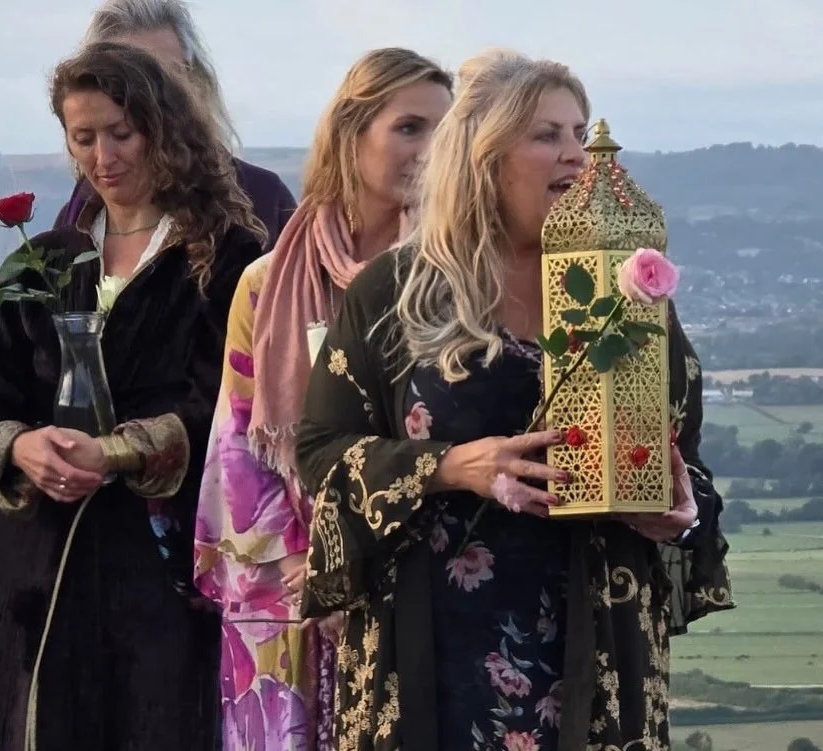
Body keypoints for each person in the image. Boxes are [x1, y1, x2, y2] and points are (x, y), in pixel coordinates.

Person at [292, 50, 733, 750]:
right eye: (547, 135)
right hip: (433, 658)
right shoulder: (397, 293)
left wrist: (677, 512)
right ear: (484, 154)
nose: (576, 156)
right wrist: (449, 465)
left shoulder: (626, 296)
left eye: (580, 135)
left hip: (597, 652)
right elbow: (318, 450)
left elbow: (690, 469)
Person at [0, 42, 265, 750]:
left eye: (122, 132)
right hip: (37, 570)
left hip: (161, 563)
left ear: (162, 129)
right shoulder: (40, 261)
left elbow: (233, 405)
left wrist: (113, 452)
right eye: (85, 138)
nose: (104, 155)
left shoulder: (226, 255)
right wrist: (21, 443)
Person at [192, 46, 452, 750]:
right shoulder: (265, 284)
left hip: (404, 584)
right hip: (284, 602)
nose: (430, 152)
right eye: (409, 128)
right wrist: (312, 574)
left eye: (446, 133)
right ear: (349, 134)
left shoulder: (451, 288)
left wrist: (355, 563)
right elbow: (238, 453)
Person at [54, 0, 295, 249]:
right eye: (129, 81)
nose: (158, 98)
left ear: (195, 79)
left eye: (169, 75)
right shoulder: (79, 218)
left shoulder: (264, 198)